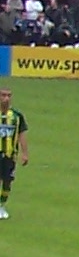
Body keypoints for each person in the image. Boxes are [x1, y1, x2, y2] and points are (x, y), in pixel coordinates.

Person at [0, 85, 26, 220]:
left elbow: (21, 133)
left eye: (9, 96)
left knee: (7, 182)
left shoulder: (16, 116)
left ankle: (1, 206)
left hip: (10, 155)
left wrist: (25, 153)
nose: (6, 99)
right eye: (3, 95)